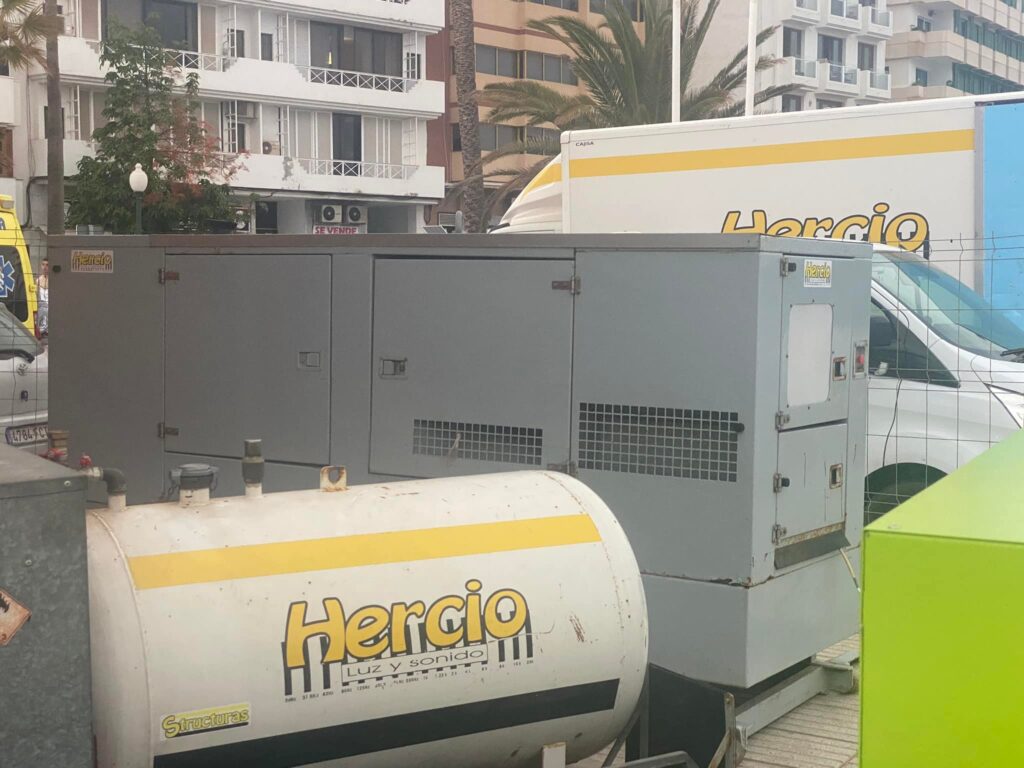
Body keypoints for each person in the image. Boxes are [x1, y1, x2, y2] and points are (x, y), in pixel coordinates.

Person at [35, 257, 48, 338]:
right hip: (41, 314)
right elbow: (36, 298)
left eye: (47, 265)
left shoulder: (55, 281)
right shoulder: (38, 280)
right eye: (43, 265)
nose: (45, 267)